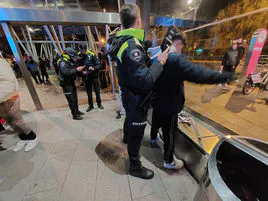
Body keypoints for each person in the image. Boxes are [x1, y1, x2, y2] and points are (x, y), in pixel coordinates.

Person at [151, 32, 235, 170]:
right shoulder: (176, 59)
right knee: (170, 132)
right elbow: (199, 74)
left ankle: (153, 138)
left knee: (156, 118)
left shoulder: (160, 55)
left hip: (157, 100)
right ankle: (168, 160)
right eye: (182, 46)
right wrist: (225, 76)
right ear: (179, 43)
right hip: (170, 104)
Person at [109, 3, 170, 179]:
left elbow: (134, 70)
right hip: (136, 99)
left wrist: (151, 60)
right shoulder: (132, 46)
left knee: (130, 123)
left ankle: (128, 137)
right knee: (137, 131)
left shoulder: (125, 41)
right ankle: (135, 166)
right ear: (138, 20)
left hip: (129, 95)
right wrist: (160, 62)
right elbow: (145, 81)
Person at [0, 58, 38, 152]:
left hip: (10, 98)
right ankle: (23, 138)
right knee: (9, 122)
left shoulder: (1, 63)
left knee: (17, 120)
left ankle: (32, 137)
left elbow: (8, 81)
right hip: (1, 101)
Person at [58, 48, 85, 120]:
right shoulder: (63, 61)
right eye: (75, 58)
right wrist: (76, 69)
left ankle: (77, 111)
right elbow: (65, 72)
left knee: (75, 98)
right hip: (66, 84)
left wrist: (80, 70)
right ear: (70, 55)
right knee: (71, 100)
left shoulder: (69, 60)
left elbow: (72, 69)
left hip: (71, 82)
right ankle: (75, 115)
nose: (76, 59)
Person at [78, 45, 104, 112]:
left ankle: (99, 104)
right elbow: (77, 67)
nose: (84, 52)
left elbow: (98, 65)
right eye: (82, 51)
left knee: (97, 91)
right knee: (89, 92)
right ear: (80, 50)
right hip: (86, 77)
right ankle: (90, 105)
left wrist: (93, 68)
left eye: (85, 50)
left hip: (94, 76)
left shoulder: (92, 54)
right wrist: (81, 72)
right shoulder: (78, 56)